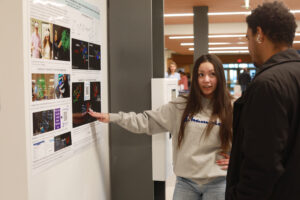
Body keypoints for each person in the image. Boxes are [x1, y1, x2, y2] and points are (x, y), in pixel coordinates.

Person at [89, 54, 233, 200]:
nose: (206, 80)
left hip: (218, 183)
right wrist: (113, 117)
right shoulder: (181, 105)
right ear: (195, 78)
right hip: (186, 184)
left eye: (212, 74)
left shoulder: (232, 107)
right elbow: (147, 121)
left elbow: (248, 140)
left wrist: (236, 158)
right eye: (201, 75)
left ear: (220, 77)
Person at [226, 2, 300, 200]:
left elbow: (262, 167)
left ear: (259, 34)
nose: (248, 45)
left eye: (248, 38)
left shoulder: (266, 85)